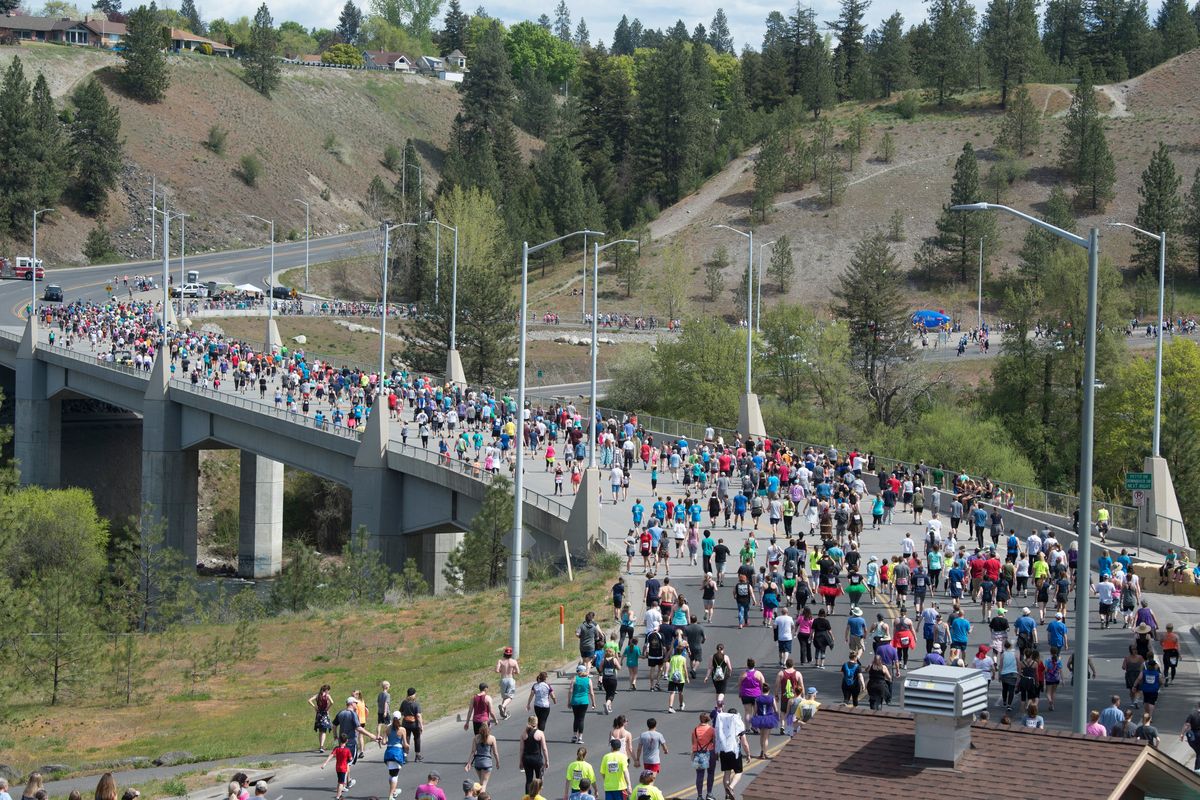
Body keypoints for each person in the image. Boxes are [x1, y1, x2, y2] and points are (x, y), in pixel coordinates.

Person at [715, 705, 751, 800]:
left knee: (727, 773)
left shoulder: (722, 726)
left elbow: (717, 739)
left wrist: (716, 753)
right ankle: (731, 787)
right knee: (738, 772)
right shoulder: (738, 726)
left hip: (724, 751)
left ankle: (727, 794)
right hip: (735, 752)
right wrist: (748, 754)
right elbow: (744, 743)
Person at [520, 715, 551, 795]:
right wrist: (547, 760)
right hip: (537, 759)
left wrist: (521, 761)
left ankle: (527, 797)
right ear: (536, 723)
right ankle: (537, 795)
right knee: (539, 779)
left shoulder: (524, 734)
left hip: (526, 759)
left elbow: (521, 749)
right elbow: (544, 748)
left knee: (529, 780)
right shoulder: (540, 733)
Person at [691, 712, 717, 800]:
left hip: (699, 753)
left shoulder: (695, 730)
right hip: (710, 752)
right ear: (708, 720)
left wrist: (693, 753)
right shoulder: (711, 729)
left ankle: (699, 796)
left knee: (699, 774)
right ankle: (709, 794)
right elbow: (715, 742)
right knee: (710, 773)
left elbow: (693, 743)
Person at [384, 713, 410, 800]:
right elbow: (405, 744)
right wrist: (407, 748)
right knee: (395, 775)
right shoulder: (402, 730)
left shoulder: (387, 728)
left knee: (391, 774)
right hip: (397, 753)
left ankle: (394, 791)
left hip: (388, 753)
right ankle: (391, 795)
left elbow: (384, 742)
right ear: (400, 719)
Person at [465, 722, 498, 791]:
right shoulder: (492, 738)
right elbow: (495, 753)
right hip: (487, 763)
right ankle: (481, 797)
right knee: (484, 784)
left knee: (481, 783)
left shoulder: (476, 738)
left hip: (478, 763)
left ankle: (479, 796)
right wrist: (497, 762)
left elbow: (473, 751)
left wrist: (469, 763)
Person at [569, 664, 595, 744]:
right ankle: (580, 737)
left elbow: (570, 691)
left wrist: (569, 702)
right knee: (581, 719)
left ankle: (574, 736)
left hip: (575, 701)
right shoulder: (588, 680)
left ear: (578, 671)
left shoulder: (574, 679)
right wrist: (593, 703)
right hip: (584, 701)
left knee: (576, 718)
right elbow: (591, 692)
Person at [750, 689, 780, 758]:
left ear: (761, 690)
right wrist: (777, 716)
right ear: (768, 690)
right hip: (769, 718)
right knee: (766, 737)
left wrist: (754, 718)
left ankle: (762, 751)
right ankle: (764, 752)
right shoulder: (771, 698)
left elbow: (755, 710)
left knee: (762, 736)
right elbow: (775, 709)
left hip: (760, 718)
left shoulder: (757, 699)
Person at [400, 687, 426, 763]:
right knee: (417, 739)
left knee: (406, 739)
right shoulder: (416, 704)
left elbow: (401, 712)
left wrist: (406, 713)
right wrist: (421, 725)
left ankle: (405, 756)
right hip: (415, 724)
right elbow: (418, 715)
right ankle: (417, 755)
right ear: (413, 694)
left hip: (405, 724)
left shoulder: (404, 702)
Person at [496, 647, 521, 720]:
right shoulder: (514, 661)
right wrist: (513, 671)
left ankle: (504, 713)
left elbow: (497, 670)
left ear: (504, 653)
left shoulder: (500, 661)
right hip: (510, 679)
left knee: (504, 697)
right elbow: (518, 672)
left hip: (503, 679)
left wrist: (501, 670)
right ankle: (503, 707)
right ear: (511, 654)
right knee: (510, 697)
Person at [309, 684, 334, 752]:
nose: (329, 692)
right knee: (324, 731)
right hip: (324, 714)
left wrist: (315, 707)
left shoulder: (318, 695)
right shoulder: (327, 696)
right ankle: (322, 746)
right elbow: (332, 702)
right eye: (328, 690)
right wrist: (327, 708)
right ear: (326, 690)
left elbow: (309, 700)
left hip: (319, 714)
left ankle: (321, 746)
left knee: (320, 731)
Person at [1178, 700, 1200, 771]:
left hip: (1194, 735)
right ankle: (1197, 770)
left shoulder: (1192, 714)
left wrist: (1182, 734)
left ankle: (1197, 769)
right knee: (1199, 753)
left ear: (1198, 705)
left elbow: (1186, 725)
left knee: (1198, 753)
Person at [666, 646, 689, 713]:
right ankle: (681, 705)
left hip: (672, 677)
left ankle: (670, 707)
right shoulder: (683, 658)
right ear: (682, 652)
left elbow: (670, 666)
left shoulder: (672, 658)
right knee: (680, 692)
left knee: (672, 692)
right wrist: (687, 677)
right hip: (680, 678)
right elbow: (685, 669)